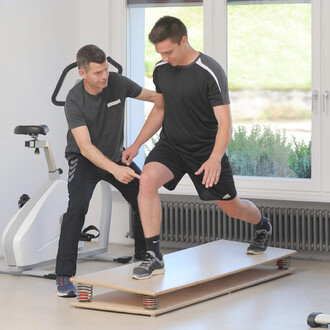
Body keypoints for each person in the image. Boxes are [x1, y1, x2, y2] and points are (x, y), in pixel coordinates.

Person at [122, 16, 272, 280]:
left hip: (205, 152)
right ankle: (154, 255)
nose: (164, 58)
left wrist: (215, 158)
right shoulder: (161, 70)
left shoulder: (209, 71)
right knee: (146, 180)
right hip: (172, 146)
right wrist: (137, 144)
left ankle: (262, 225)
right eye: (160, 53)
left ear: (183, 41)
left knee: (232, 208)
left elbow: (225, 122)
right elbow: (160, 109)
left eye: (168, 51)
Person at [55, 44, 155, 296]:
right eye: (98, 72)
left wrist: (184, 94)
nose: (104, 77)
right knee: (77, 207)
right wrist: (115, 169)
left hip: (115, 155)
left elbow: (155, 97)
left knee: (144, 194)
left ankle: (144, 258)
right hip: (84, 160)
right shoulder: (75, 99)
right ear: (82, 73)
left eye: (106, 70)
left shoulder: (118, 83)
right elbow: (86, 147)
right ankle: (64, 276)